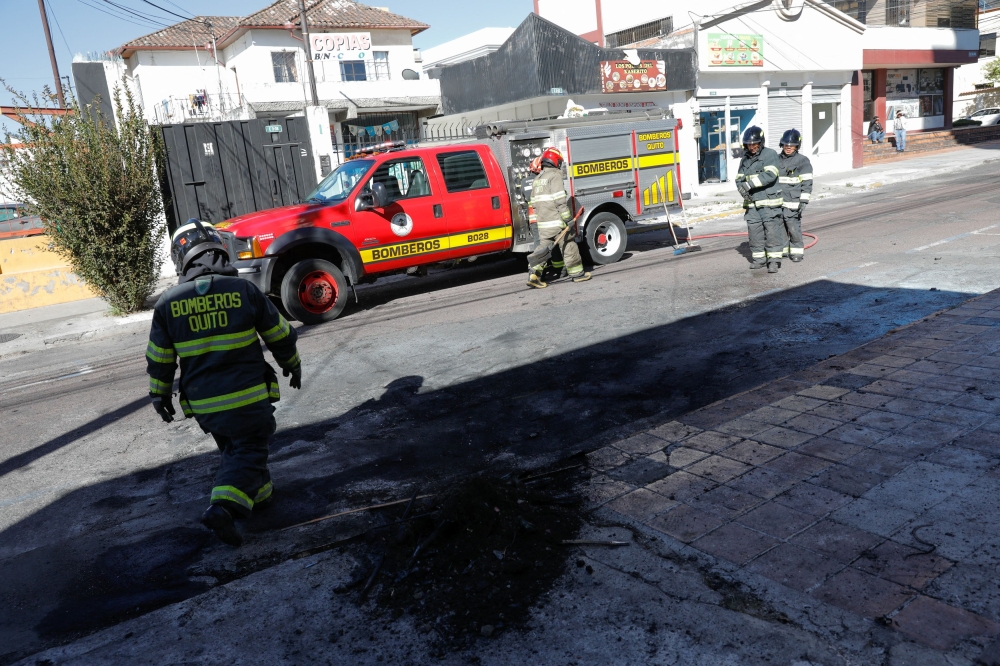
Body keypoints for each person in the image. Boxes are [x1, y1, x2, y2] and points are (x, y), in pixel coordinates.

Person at [146, 219, 302, 547]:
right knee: (250, 446)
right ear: (220, 249)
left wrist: (159, 394)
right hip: (246, 396)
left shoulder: (167, 303)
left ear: (182, 258)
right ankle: (222, 508)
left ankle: (259, 496)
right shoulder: (243, 290)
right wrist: (292, 364)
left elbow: (160, 358)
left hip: (205, 405)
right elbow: (280, 334)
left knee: (237, 450)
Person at [527, 147, 591, 288]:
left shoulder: (538, 179)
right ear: (554, 161)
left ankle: (533, 274)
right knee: (569, 245)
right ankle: (577, 274)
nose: (560, 165)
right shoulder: (555, 176)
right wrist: (568, 219)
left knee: (543, 248)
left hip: (543, 223)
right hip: (557, 222)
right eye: (559, 162)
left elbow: (534, 204)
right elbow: (560, 201)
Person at [734, 126, 784, 273]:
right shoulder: (745, 159)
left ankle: (774, 260)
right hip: (752, 203)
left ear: (761, 143)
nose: (752, 147)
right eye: (749, 145)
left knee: (772, 231)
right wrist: (742, 190)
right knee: (754, 231)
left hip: (769, 202)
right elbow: (739, 178)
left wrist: (748, 185)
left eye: (755, 144)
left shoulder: (770, 154)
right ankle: (759, 259)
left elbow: (771, 174)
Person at [776, 129, 813, 263]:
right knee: (780, 227)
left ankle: (797, 251)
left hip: (793, 202)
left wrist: (804, 200)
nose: (788, 148)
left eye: (791, 146)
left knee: (793, 227)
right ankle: (784, 250)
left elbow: (807, 182)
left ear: (797, 146)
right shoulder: (776, 159)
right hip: (778, 201)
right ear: (782, 145)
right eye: (786, 145)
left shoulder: (802, 161)